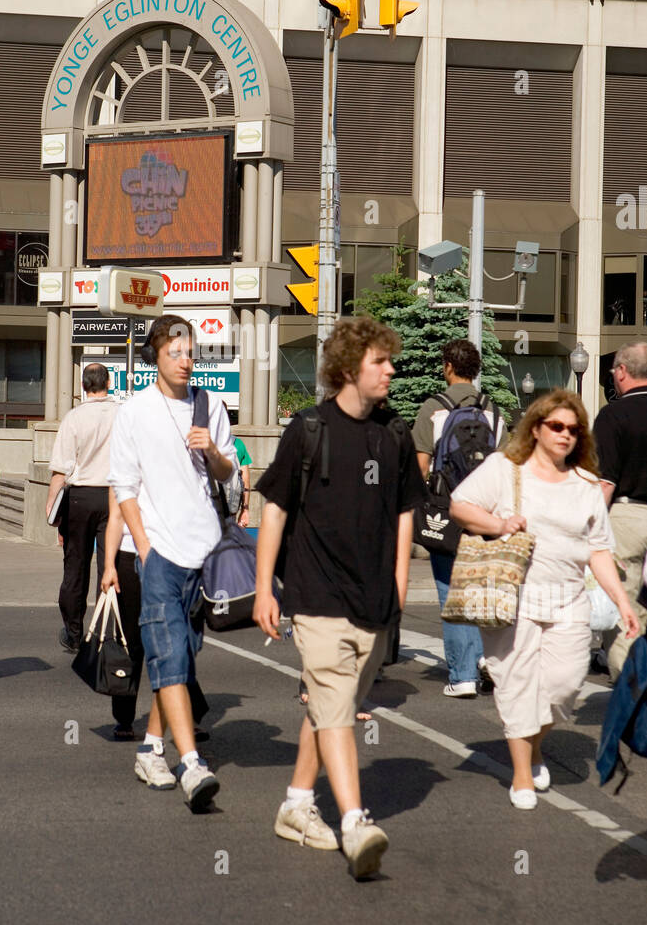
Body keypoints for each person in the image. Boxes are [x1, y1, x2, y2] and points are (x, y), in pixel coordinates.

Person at [254, 316, 424, 880]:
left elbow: (405, 510)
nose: (392, 371)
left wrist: (399, 581)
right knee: (334, 701)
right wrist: (263, 588)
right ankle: (355, 822)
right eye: (381, 362)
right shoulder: (307, 430)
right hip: (316, 593)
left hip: (375, 597)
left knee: (333, 708)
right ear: (350, 368)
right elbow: (274, 509)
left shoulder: (395, 432)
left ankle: (297, 803)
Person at [450, 390, 639, 808]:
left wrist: (623, 603)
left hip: (570, 599)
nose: (565, 435)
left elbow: (599, 550)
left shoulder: (586, 484)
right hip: (514, 595)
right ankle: (521, 773)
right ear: (535, 429)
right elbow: (460, 506)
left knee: (564, 685)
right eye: (556, 426)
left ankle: (533, 746)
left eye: (574, 429)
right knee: (517, 685)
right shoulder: (505, 468)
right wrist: (499, 523)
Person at [108, 315, 237, 811]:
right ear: (155, 357)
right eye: (175, 353)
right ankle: (192, 764)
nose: (185, 362)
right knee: (168, 654)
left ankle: (149, 748)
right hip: (160, 553)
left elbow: (229, 474)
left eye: (191, 354)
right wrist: (142, 547)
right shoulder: (135, 411)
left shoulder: (209, 406)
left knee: (179, 657)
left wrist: (214, 454)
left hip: (204, 552)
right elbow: (124, 487)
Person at [412, 338, 507, 698]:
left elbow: (419, 466)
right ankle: (486, 661)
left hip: (446, 512)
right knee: (481, 590)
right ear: (477, 369)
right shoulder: (494, 412)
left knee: (450, 591)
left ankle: (463, 675)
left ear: (447, 367)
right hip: (486, 515)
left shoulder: (434, 410)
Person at [99, 490, 209, 744]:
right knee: (131, 642)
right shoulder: (124, 454)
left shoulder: (173, 454)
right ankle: (124, 718)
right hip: (129, 556)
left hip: (174, 557)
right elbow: (115, 516)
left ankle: (189, 715)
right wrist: (109, 566)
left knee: (178, 639)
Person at [592, 342, 647, 682]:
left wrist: (590, 528)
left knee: (625, 608)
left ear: (621, 372)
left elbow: (605, 481)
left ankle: (630, 692)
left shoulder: (612, 416)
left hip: (627, 517)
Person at [45, 363, 117, 654]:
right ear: (108, 383)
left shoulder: (73, 419)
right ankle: (107, 630)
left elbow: (60, 470)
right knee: (110, 565)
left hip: (80, 498)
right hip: (115, 496)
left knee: (75, 567)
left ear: (83, 386)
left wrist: (53, 509)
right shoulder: (123, 415)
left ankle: (74, 632)